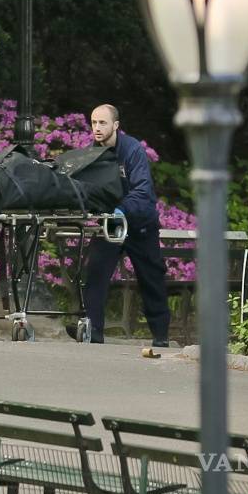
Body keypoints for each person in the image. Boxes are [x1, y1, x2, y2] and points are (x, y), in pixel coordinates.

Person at [68, 104, 170, 346]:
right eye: (93, 122)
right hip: (110, 222)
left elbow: (143, 190)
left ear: (116, 125)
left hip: (139, 223)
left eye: (102, 123)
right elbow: (87, 190)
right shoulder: (91, 154)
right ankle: (94, 332)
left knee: (151, 277)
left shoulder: (133, 150)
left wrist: (121, 209)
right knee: (96, 273)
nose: (97, 128)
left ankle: (161, 336)